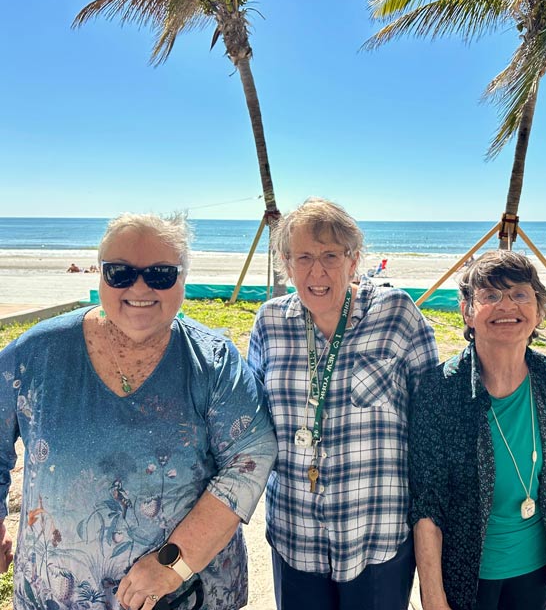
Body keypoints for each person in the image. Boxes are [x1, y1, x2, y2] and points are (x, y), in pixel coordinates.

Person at [0, 212, 277, 610]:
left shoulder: (213, 361)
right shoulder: (36, 354)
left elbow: (251, 455)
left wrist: (175, 563)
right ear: (101, 274)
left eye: (161, 274)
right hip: (56, 596)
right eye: (121, 273)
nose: (140, 287)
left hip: (189, 595)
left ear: (183, 278)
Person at [247, 198, 439, 610]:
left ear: (353, 261)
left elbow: (431, 423)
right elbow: (254, 425)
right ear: (287, 264)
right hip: (295, 534)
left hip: (376, 536)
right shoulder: (269, 322)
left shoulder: (397, 314)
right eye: (304, 257)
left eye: (330, 256)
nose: (317, 272)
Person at [409, 250, 546, 610]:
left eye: (520, 294)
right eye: (490, 295)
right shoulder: (439, 389)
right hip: (465, 577)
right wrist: (433, 597)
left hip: (535, 572)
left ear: (538, 310)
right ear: (467, 312)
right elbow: (428, 503)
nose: (506, 306)